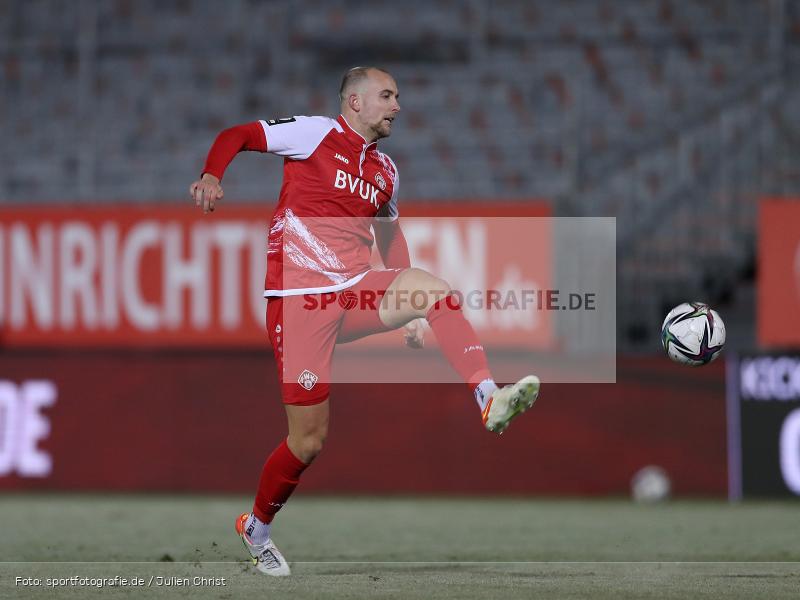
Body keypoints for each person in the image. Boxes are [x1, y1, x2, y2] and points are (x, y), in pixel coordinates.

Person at [189, 66, 540, 577]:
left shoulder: (387, 172)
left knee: (435, 291)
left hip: (353, 291)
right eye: (387, 95)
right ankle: (257, 526)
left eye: (397, 95)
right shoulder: (315, 133)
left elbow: (391, 241)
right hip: (299, 299)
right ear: (355, 102)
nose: (397, 106)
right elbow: (238, 135)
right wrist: (211, 175)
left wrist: (411, 313)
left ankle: (488, 397)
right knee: (309, 440)